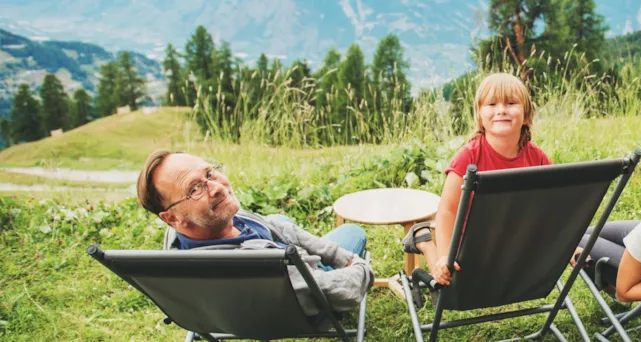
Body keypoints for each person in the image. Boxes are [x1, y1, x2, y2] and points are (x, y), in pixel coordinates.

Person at [136, 150, 373, 316]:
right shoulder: (260, 265)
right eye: (195, 189)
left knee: (277, 221)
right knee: (352, 232)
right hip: (297, 301)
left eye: (209, 174)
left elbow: (274, 225)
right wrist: (360, 268)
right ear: (172, 217)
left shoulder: (179, 242)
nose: (217, 187)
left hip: (253, 292)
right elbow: (341, 291)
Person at [402, 73, 551, 285]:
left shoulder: (538, 157)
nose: (501, 110)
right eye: (491, 104)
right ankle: (425, 241)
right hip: (470, 243)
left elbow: (552, 208)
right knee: (449, 273)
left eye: (510, 103)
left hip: (512, 242)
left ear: (526, 115)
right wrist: (445, 257)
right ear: (480, 117)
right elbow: (447, 210)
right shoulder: (469, 156)